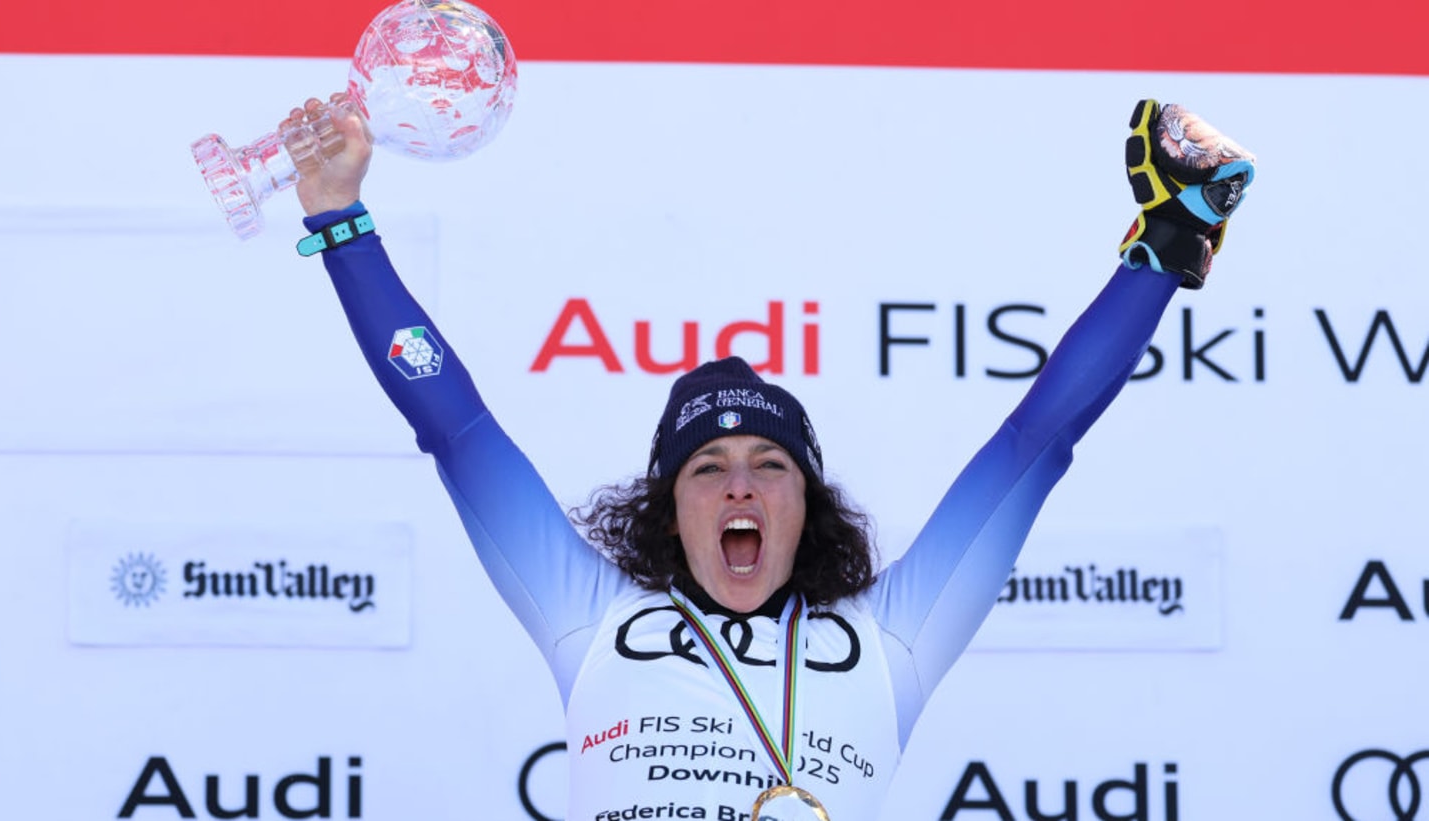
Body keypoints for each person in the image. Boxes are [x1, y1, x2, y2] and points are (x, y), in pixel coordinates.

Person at [285, 96, 1254, 820]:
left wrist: (1167, 244)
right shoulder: (592, 619)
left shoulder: (889, 642)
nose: (739, 483)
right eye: (706, 467)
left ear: (807, 506)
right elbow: (455, 428)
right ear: (670, 510)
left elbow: (1034, 442)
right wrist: (339, 219)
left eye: (769, 464)